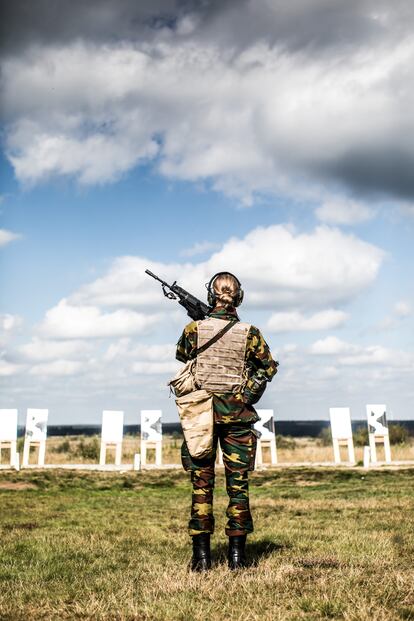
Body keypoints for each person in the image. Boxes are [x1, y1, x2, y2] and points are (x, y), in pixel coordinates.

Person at [176, 272, 278, 571]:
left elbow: (183, 355)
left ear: (211, 296)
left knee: (201, 485)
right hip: (238, 417)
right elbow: (268, 367)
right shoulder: (250, 332)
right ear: (239, 297)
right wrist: (248, 394)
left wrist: (201, 320)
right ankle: (237, 559)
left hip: (200, 418)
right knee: (238, 487)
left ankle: (202, 559)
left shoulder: (194, 329)